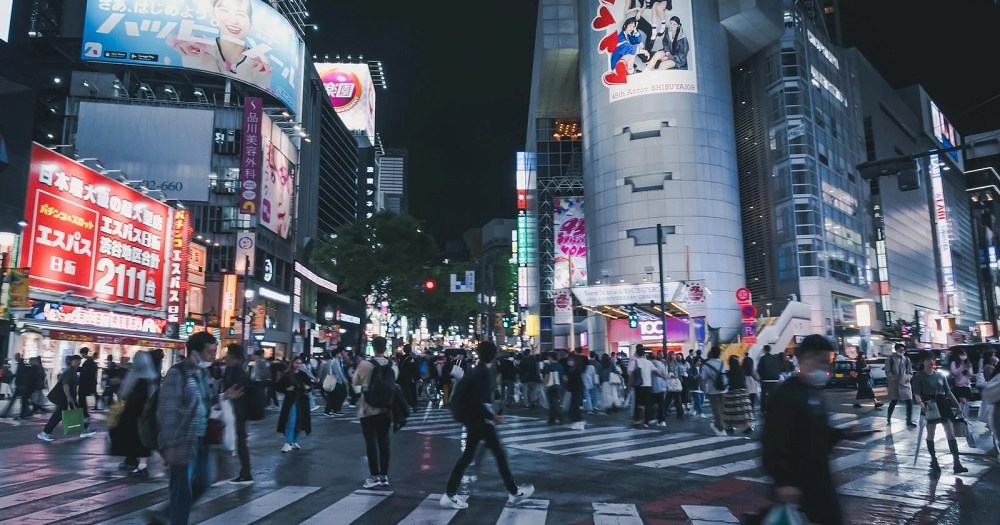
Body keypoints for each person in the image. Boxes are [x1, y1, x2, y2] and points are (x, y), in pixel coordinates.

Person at [763, 334, 855, 525]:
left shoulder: (815, 392)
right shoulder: (785, 395)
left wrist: (840, 433)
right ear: (804, 359)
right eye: (821, 361)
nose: (825, 368)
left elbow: (815, 433)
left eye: (827, 362)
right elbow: (773, 440)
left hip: (819, 479)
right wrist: (783, 481)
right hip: (797, 484)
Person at [440, 341, 535, 509]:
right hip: (481, 421)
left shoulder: (478, 371)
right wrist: (493, 417)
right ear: (494, 354)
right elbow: (478, 401)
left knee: (470, 456)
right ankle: (513, 492)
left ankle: (450, 493)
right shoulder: (482, 373)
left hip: (475, 421)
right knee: (497, 454)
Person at [151, 331, 219, 525]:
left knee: (203, 482)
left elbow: (205, 402)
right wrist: (171, 445)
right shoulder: (177, 373)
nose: (213, 356)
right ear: (195, 353)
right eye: (209, 352)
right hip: (183, 439)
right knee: (181, 491)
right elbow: (168, 411)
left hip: (203, 437)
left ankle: (165, 515)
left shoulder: (204, 373)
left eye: (214, 351)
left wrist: (224, 397)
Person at [168, 0, 274, 88]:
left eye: (241, 14)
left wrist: (260, 80)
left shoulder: (259, 63)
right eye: (225, 10)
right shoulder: (195, 48)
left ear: (250, 23)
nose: (233, 20)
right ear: (214, 14)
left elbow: (261, 98)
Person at [913, 350, 968, 474]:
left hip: (943, 404)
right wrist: (922, 404)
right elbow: (916, 394)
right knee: (930, 434)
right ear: (923, 361)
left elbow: (948, 392)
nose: (931, 361)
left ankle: (957, 463)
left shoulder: (940, 375)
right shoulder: (919, 376)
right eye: (928, 359)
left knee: (950, 433)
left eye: (933, 359)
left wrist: (957, 405)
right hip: (929, 405)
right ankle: (934, 460)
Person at [352, 336, 397, 489]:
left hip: (367, 408)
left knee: (370, 442)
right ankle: (384, 476)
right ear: (386, 347)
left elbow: (355, 382)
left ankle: (374, 476)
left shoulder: (365, 364)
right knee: (384, 442)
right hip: (386, 408)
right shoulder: (393, 365)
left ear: (373, 347)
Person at [109, 351, 158, 478]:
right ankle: (141, 464)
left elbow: (123, 393)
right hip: (146, 414)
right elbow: (154, 396)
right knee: (143, 439)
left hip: (131, 413)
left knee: (130, 436)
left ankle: (133, 462)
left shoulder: (133, 375)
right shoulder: (152, 377)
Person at [38, 355, 95, 441]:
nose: (78, 362)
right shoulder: (70, 371)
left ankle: (85, 430)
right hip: (65, 397)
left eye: (79, 360)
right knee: (58, 415)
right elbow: (65, 385)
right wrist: (68, 397)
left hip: (69, 397)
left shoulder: (73, 371)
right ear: (71, 361)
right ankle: (45, 432)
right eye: (76, 360)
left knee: (77, 412)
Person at [220, 344, 252, 484]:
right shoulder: (233, 370)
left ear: (235, 358)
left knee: (239, 441)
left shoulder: (236, 372)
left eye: (229, 355)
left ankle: (245, 473)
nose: (226, 358)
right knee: (239, 441)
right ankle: (245, 472)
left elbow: (235, 392)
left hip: (235, 411)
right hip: (234, 410)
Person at [276, 356, 312, 453]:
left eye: (300, 363)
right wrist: (286, 389)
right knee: (291, 420)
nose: (298, 365)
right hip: (291, 401)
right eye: (296, 363)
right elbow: (277, 386)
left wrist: (308, 387)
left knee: (299, 422)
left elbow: (310, 386)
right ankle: (287, 442)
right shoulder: (287, 375)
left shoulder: (303, 374)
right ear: (292, 363)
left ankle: (294, 441)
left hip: (302, 401)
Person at [886, 343, 916, 428]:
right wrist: (892, 378)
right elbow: (888, 371)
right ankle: (888, 416)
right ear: (896, 350)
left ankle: (909, 420)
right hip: (894, 384)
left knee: (909, 401)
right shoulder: (890, 359)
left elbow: (910, 372)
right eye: (900, 350)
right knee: (894, 401)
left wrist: (907, 378)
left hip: (905, 384)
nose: (902, 351)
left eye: (903, 350)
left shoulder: (906, 359)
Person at [723, 355, 754, 435]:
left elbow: (727, 382)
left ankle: (729, 427)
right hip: (742, 392)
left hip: (732, 392)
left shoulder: (729, 372)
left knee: (730, 411)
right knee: (744, 411)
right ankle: (748, 427)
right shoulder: (742, 370)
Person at [701, 346, 728, 436]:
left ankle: (721, 429)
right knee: (722, 409)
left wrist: (704, 390)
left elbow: (703, 379)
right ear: (719, 354)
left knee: (716, 410)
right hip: (723, 389)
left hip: (713, 391)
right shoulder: (722, 363)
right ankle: (718, 425)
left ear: (711, 353)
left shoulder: (706, 365)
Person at [627, 345, 654, 429]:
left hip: (639, 385)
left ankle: (637, 420)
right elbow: (656, 371)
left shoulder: (634, 361)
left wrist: (629, 384)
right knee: (647, 404)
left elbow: (630, 373)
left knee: (638, 404)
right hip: (648, 385)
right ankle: (646, 422)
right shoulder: (648, 362)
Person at [321, 349, 349, 416]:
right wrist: (344, 380)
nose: (340, 354)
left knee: (335, 396)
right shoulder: (335, 362)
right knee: (339, 395)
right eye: (339, 353)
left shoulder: (336, 361)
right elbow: (338, 372)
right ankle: (331, 410)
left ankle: (334, 410)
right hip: (336, 382)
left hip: (336, 381)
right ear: (337, 354)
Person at [757, 345, 782, 413]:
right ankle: (775, 407)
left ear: (764, 350)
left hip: (766, 380)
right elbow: (779, 367)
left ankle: (764, 409)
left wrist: (761, 377)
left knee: (764, 395)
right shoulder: (775, 358)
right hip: (775, 379)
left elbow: (759, 369)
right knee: (774, 395)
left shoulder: (763, 358)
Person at [543, 352, 566, 425]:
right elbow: (563, 377)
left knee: (553, 403)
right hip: (559, 386)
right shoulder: (560, 366)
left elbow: (546, 377)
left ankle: (560, 417)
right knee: (555, 402)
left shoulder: (549, 366)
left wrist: (545, 383)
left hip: (551, 387)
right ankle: (551, 418)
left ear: (551, 357)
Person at [949, 348, 974, 415]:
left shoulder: (968, 363)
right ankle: (962, 415)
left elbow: (970, 375)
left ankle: (962, 416)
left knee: (966, 403)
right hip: (958, 385)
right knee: (963, 402)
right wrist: (962, 368)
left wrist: (968, 369)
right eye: (962, 354)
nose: (963, 356)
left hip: (967, 385)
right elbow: (954, 372)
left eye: (965, 354)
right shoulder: (954, 363)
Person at [565, 353, 586, 430]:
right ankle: (578, 422)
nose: (569, 362)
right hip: (576, 390)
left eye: (571, 360)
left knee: (574, 407)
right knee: (574, 407)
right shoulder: (576, 370)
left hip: (576, 390)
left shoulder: (575, 371)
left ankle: (578, 422)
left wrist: (567, 383)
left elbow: (574, 382)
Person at [397, 344, 421, 412]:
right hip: (410, 379)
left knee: (404, 393)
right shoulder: (411, 358)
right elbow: (414, 369)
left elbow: (399, 367)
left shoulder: (402, 358)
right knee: (412, 393)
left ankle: (405, 406)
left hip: (402, 379)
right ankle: (414, 406)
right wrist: (417, 377)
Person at [648, 352, 668, 427]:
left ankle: (650, 418)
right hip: (661, 387)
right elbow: (665, 376)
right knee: (661, 405)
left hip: (651, 387)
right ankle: (661, 421)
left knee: (650, 404)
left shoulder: (648, 364)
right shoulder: (661, 364)